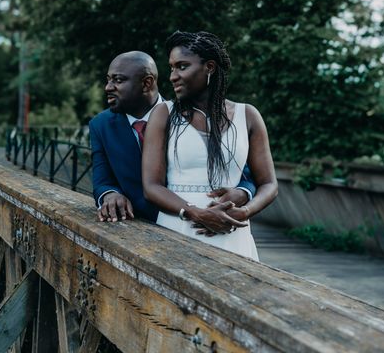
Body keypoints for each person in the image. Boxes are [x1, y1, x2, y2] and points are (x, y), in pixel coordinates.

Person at [142, 31, 278, 260]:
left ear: (210, 67)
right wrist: (195, 213)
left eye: (182, 66)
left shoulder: (248, 115)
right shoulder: (163, 114)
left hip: (232, 231)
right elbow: (151, 186)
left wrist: (245, 212)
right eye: (172, 68)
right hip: (179, 228)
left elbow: (269, 184)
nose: (173, 76)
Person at [89, 51, 256, 223]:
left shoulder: (187, 116)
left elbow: (241, 173)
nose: (108, 87)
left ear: (147, 83)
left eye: (118, 80)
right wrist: (110, 194)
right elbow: (102, 180)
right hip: (135, 227)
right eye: (108, 79)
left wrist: (243, 193)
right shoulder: (100, 125)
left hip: (198, 222)